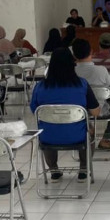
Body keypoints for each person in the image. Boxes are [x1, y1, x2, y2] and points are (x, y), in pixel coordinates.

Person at [30, 48, 100, 183]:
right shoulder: (82, 84)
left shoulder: (39, 87)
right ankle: (84, 169)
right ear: (72, 64)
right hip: (77, 135)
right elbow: (96, 112)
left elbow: (35, 112)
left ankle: (54, 171)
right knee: (89, 129)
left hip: (48, 137)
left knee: (46, 127)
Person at [72, 39, 110, 151]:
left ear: (74, 55)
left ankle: (88, 129)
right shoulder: (101, 70)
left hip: (77, 110)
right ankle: (106, 139)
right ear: (91, 51)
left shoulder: (71, 72)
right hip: (99, 109)